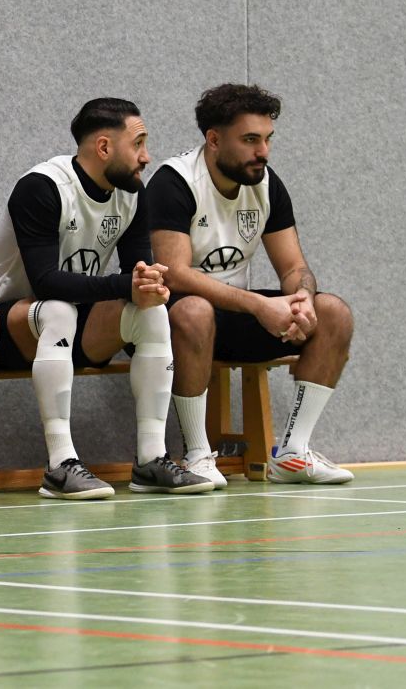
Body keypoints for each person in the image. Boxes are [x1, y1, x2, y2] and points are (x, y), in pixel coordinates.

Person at [0, 98, 213, 499]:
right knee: (57, 310)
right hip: (1, 327)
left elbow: (135, 275)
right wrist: (126, 286)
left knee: (151, 310)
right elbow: (45, 282)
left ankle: (151, 459)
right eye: (138, 144)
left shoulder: (131, 194)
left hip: (75, 325)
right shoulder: (42, 187)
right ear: (104, 147)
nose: (146, 156)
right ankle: (60, 465)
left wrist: (149, 285)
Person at [149, 83, 354, 484]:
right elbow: (175, 273)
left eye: (267, 139)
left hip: (235, 315)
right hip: (170, 321)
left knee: (334, 313)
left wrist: (303, 298)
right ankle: (197, 454)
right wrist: (259, 305)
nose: (263, 151)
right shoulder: (175, 182)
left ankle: (293, 453)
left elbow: (293, 266)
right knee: (194, 311)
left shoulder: (266, 183)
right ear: (214, 140)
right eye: (250, 140)